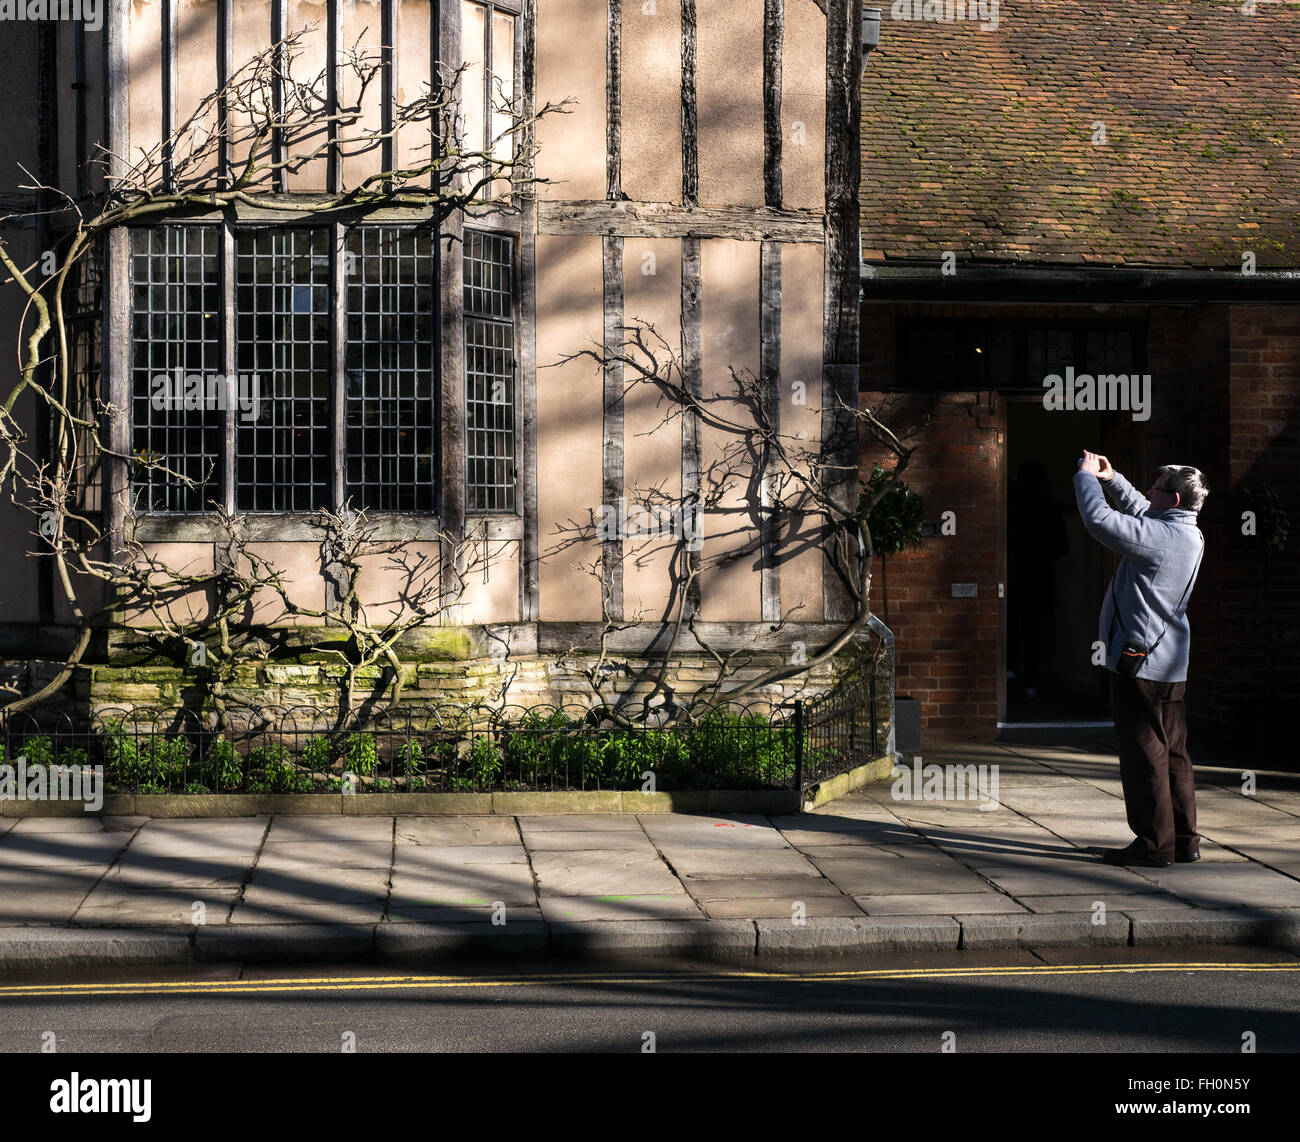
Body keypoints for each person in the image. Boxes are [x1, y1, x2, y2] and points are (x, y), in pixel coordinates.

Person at [1073, 450, 1208, 868]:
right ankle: (1184, 841)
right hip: (1170, 664)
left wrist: (1087, 480)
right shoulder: (1186, 533)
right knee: (1175, 754)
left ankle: (1153, 846)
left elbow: (1104, 523)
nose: (1148, 493)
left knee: (1143, 754)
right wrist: (1114, 479)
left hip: (1140, 662)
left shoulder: (1160, 538)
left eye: (1156, 489)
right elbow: (1142, 515)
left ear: (1175, 500)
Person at [1008, 460, 1069, 700]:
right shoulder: (1048, 509)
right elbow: (1062, 547)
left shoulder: (1013, 507)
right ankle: (1031, 684)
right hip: (1039, 576)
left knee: (1011, 626)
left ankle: (1010, 671)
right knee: (1033, 632)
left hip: (1015, 574)